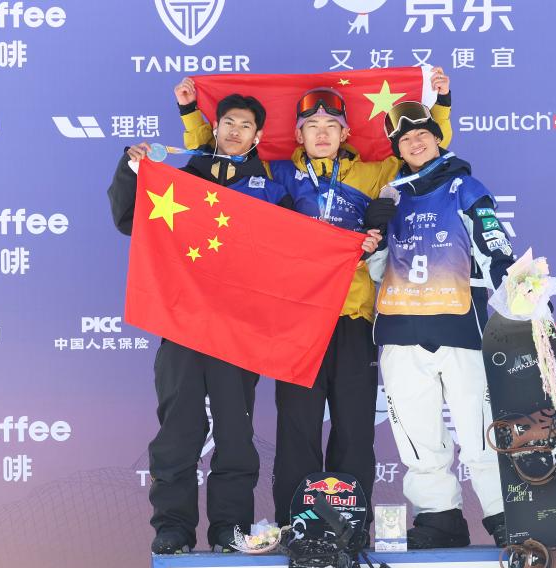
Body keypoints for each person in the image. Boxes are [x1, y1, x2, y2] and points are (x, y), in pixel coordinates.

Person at [177, 70, 453, 526]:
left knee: (354, 427)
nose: (322, 134)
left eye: (331, 127)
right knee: (297, 428)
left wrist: (439, 102)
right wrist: (191, 113)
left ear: (345, 134)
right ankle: (296, 525)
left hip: (354, 318)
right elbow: (220, 154)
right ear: (298, 136)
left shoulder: (373, 173)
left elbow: (422, 153)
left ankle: (350, 527)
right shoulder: (278, 173)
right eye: (312, 127)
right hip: (297, 321)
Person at [107, 92, 293, 554]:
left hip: (240, 332)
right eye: (228, 122)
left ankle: (230, 527)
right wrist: (131, 169)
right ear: (215, 127)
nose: (235, 131)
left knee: (235, 434)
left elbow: (298, 253)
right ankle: (172, 527)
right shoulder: (182, 182)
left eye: (245, 125)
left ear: (257, 135)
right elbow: (128, 218)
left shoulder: (272, 191)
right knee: (178, 430)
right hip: (183, 325)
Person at [364, 100, 517, 548]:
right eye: (406, 139)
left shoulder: (463, 187)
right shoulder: (391, 197)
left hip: (459, 327)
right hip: (401, 330)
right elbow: (379, 270)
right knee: (416, 432)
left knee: (478, 428)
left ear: (437, 138)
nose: (415, 142)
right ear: (397, 149)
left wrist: (518, 294)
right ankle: (439, 516)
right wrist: (374, 242)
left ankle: (505, 515)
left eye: (423, 135)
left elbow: (493, 244)